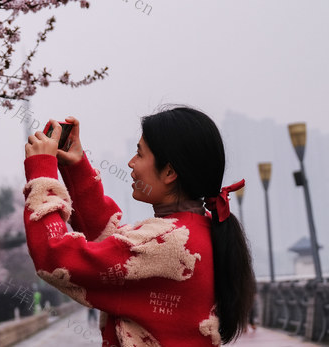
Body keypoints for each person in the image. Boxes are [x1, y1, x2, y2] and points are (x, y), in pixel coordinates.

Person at [22, 107, 256, 345]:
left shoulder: (168, 242)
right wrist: (77, 168)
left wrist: (41, 172)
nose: (131, 163)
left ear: (169, 172)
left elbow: (55, 257)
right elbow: (115, 249)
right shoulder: (196, 229)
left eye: (140, 154)